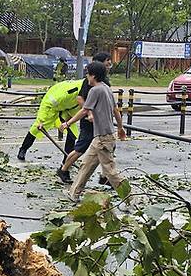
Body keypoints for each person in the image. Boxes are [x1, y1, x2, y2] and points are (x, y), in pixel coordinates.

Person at [58, 61, 126, 202]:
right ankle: (74, 194)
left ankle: (131, 198)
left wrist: (67, 123)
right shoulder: (106, 88)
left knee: (110, 172)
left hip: (103, 138)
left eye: (88, 74)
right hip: (101, 137)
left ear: (93, 76)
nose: (87, 77)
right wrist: (120, 128)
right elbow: (116, 111)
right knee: (86, 165)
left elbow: (84, 110)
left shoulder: (95, 90)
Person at [57, 52, 113, 184]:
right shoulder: (90, 82)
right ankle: (64, 169)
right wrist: (89, 114)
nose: (109, 65)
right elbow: (80, 100)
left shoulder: (105, 83)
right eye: (107, 63)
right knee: (81, 149)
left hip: (101, 124)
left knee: (106, 150)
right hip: (89, 123)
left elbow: (112, 106)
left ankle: (106, 177)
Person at [16, 79, 83, 183]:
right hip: (52, 105)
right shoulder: (68, 93)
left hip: (67, 109)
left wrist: (69, 121)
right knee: (37, 128)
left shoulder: (88, 89)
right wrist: (41, 120)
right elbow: (47, 104)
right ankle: (23, 149)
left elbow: (80, 107)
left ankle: (65, 164)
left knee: (73, 135)